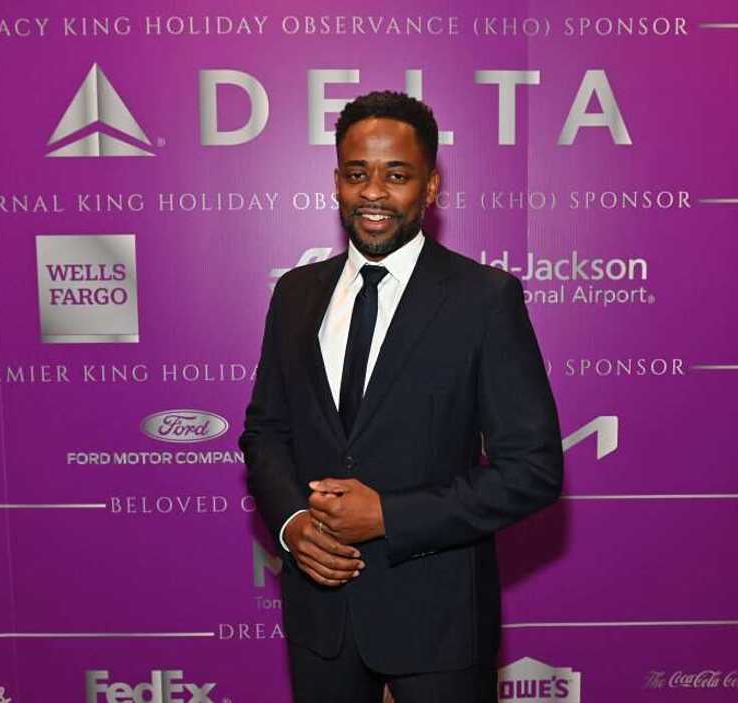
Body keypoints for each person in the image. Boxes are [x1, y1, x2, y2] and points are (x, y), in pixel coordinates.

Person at [240, 90, 563, 703]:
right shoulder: (296, 294)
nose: (374, 194)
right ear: (337, 181)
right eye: (358, 174)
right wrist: (292, 524)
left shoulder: (483, 299)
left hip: (438, 619)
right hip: (321, 615)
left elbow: (534, 471)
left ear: (431, 186)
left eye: (397, 175)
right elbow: (265, 431)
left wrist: (390, 515)